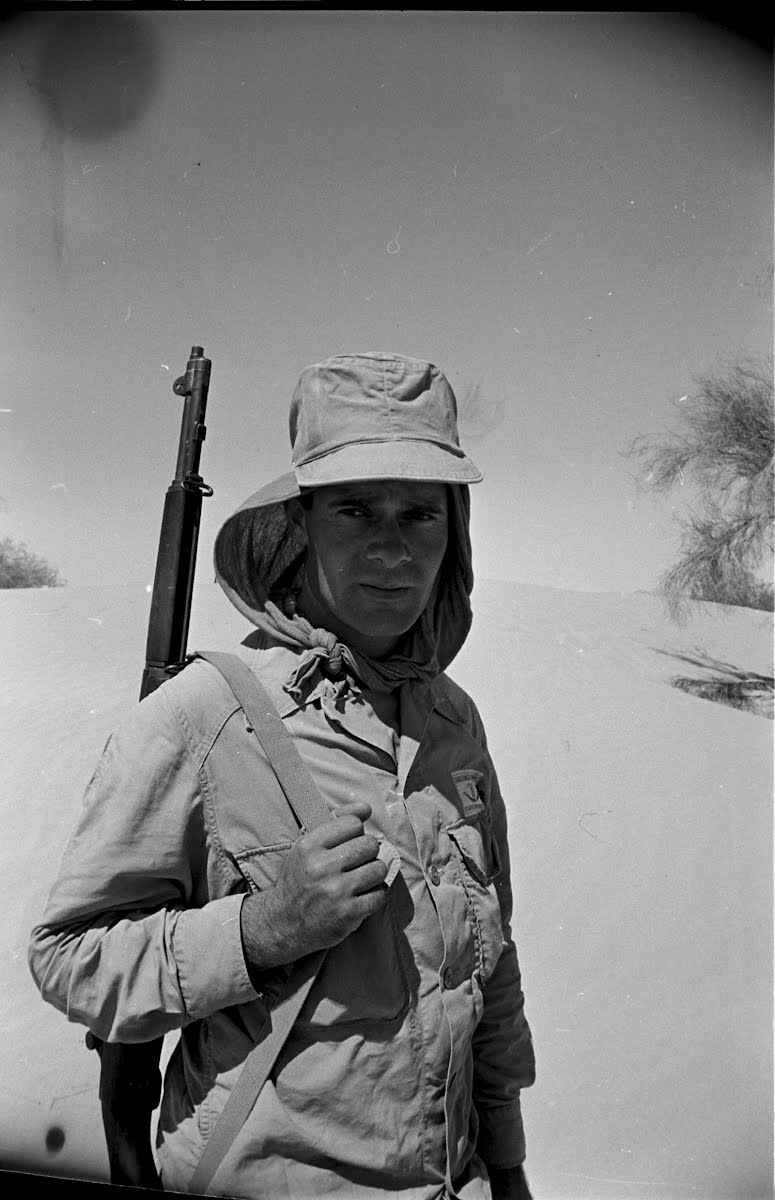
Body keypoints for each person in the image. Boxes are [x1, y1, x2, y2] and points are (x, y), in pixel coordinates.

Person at [29, 351, 536, 1199]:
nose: (391, 546)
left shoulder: (454, 722)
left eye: (420, 513)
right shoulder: (205, 715)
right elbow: (69, 957)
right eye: (353, 510)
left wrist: (509, 1166)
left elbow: (489, 970)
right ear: (301, 529)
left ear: (455, 535)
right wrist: (258, 931)